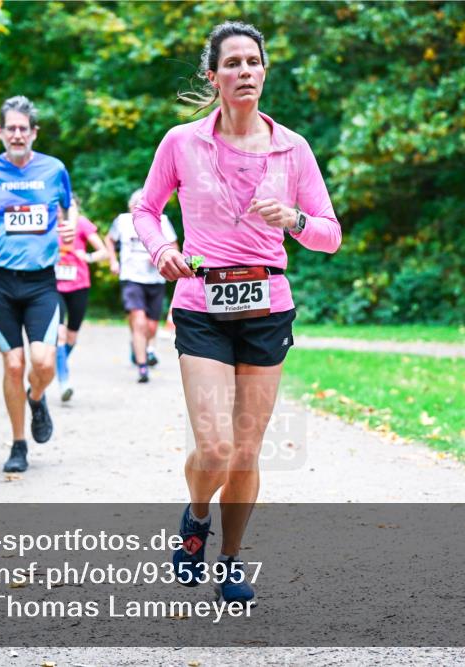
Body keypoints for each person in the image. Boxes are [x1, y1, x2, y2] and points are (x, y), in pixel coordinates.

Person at [133, 21, 341, 605]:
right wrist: (163, 248)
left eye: (254, 62)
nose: (245, 71)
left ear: (265, 72)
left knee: (248, 450)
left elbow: (329, 234)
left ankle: (228, 560)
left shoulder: (292, 149)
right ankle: (196, 517)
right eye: (232, 63)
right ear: (214, 75)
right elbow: (146, 210)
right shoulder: (181, 142)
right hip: (201, 303)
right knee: (217, 447)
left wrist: (294, 221)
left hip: (268, 306)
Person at [0, 95, 77, 473]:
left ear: (33, 133)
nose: (17, 134)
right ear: (0, 132)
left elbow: (69, 210)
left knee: (43, 361)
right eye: (11, 128)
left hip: (40, 281)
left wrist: (69, 225)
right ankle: (19, 444)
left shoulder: (54, 169)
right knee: (14, 363)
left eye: (24, 128)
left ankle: (37, 399)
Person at [106, 189, 177, 384]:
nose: (138, 208)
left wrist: (162, 257)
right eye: (135, 204)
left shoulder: (162, 220)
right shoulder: (122, 221)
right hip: (131, 277)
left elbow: (174, 247)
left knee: (151, 327)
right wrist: (113, 261)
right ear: (130, 206)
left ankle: (139, 347)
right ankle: (142, 366)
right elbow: (109, 240)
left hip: (155, 279)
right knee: (139, 322)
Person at [55, 193, 111, 402]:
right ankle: (64, 382)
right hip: (54, 287)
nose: (62, 209)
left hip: (79, 285)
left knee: (71, 337)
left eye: (66, 206)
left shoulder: (81, 224)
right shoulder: (49, 225)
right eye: (59, 205)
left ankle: (55, 364)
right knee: (59, 334)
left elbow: (103, 252)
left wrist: (86, 257)